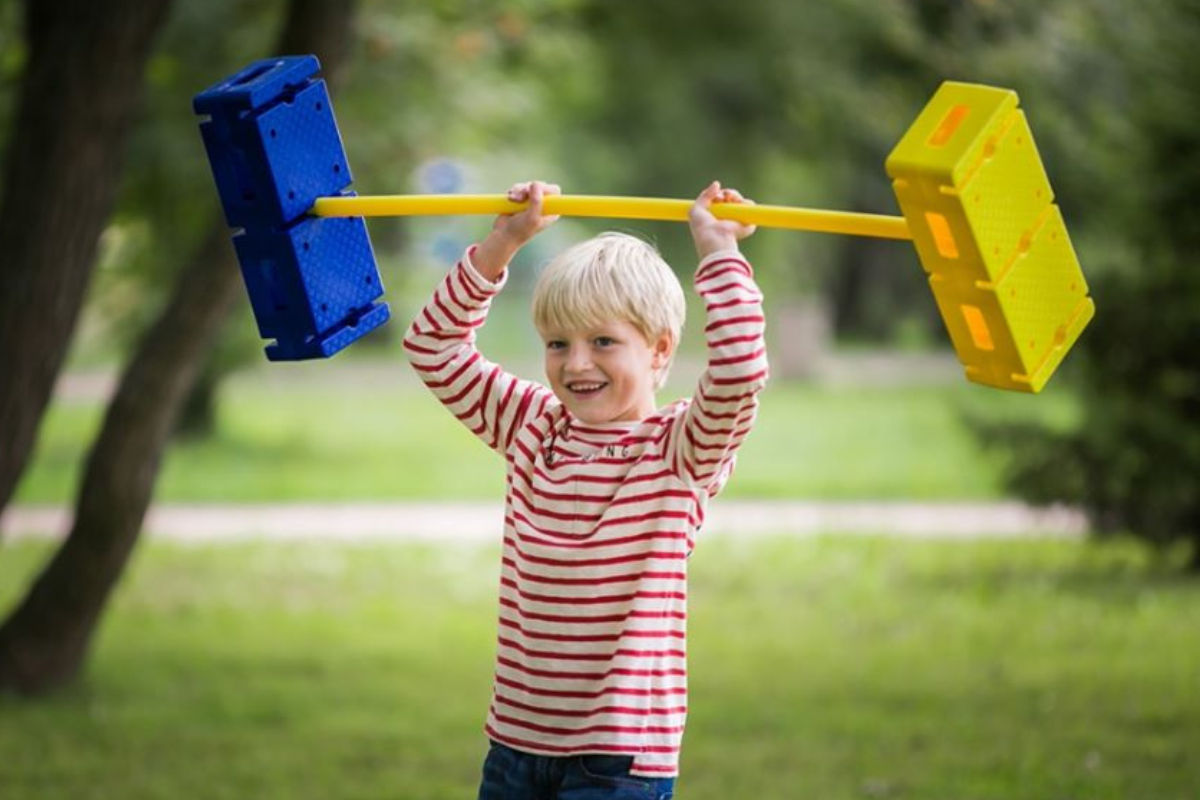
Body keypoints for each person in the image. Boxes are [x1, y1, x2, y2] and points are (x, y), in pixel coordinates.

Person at [403, 179, 769, 799]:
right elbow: (433, 347)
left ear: (659, 349)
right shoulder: (529, 424)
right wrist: (503, 242)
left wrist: (718, 250)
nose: (575, 364)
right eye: (558, 343)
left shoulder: (680, 449)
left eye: (603, 342)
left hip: (617, 759)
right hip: (516, 744)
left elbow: (739, 371)